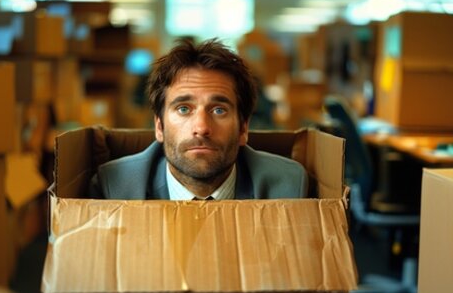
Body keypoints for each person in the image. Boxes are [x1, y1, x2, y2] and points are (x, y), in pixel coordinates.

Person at [89, 38, 307, 200]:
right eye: (184, 109)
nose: (201, 128)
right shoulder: (114, 187)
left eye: (219, 110)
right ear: (159, 126)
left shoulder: (288, 187)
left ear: (243, 128)